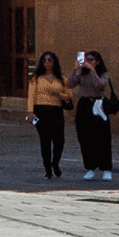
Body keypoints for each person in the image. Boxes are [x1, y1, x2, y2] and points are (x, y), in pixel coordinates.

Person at [31, 50, 76, 179]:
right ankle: (47, 168)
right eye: (44, 60)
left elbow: (69, 97)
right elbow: (31, 96)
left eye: (49, 60)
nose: (47, 63)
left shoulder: (61, 79)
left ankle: (55, 163)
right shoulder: (37, 78)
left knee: (59, 141)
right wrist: (30, 112)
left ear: (54, 62)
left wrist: (57, 94)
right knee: (45, 141)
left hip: (56, 112)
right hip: (41, 112)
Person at [75, 51, 115, 181]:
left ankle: (106, 168)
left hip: (98, 104)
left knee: (103, 137)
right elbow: (70, 84)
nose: (88, 62)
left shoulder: (103, 73)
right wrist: (75, 70)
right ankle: (90, 168)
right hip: (84, 104)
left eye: (91, 59)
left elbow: (99, 85)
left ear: (97, 61)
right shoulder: (82, 72)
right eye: (86, 59)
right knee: (85, 137)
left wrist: (92, 71)